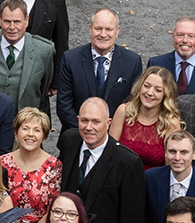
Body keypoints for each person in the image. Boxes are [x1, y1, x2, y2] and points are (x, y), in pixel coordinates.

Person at [61, 96, 145, 223]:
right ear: (77, 120)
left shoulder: (127, 162)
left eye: (96, 122)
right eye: (84, 120)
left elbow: (131, 220)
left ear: (108, 123)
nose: (89, 127)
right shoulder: (68, 140)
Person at [55, 8, 143, 147]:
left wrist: (111, 136)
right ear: (90, 29)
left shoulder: (132, 62)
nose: (103, 34)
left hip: (115, 142)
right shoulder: (71, 59)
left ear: (117, 31)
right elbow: (64, 105)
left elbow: (133, 105)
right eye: (98, 28)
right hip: (76, 141)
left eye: (109, 29)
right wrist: (87, 133)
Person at [0, 0, 56, 116]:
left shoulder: (44, 50)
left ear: (26, 20)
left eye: (17, 22)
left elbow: (43, 91)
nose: (12, 27)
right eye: (7, 21)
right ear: (0, 19)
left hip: (24, 126)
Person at [1, 107, 62, 223]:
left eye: (37, 130)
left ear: (44, 137)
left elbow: (52, 210)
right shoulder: (2, 163)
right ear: (16, 134)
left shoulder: (53, 166)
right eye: (25, 128)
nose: (30, 134)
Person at [110, 66, 181, 169]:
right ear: (140, 86)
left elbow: (169, 168)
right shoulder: (123, 111)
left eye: (158, 90)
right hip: (119, 180)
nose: (150, 93)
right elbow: (110, 153)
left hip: (152, 183)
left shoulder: (171, 123)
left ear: (166, 94)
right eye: (147, 86)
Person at [147, 129, 195, 223]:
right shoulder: (151, 178)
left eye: (183, 152)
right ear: (165, 153)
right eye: (172, 151)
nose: (177, 157)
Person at [148, 15, 195, 98]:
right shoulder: (156, 63)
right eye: (180, 35)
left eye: (191, 36)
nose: (185, 40)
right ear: (173, 36)